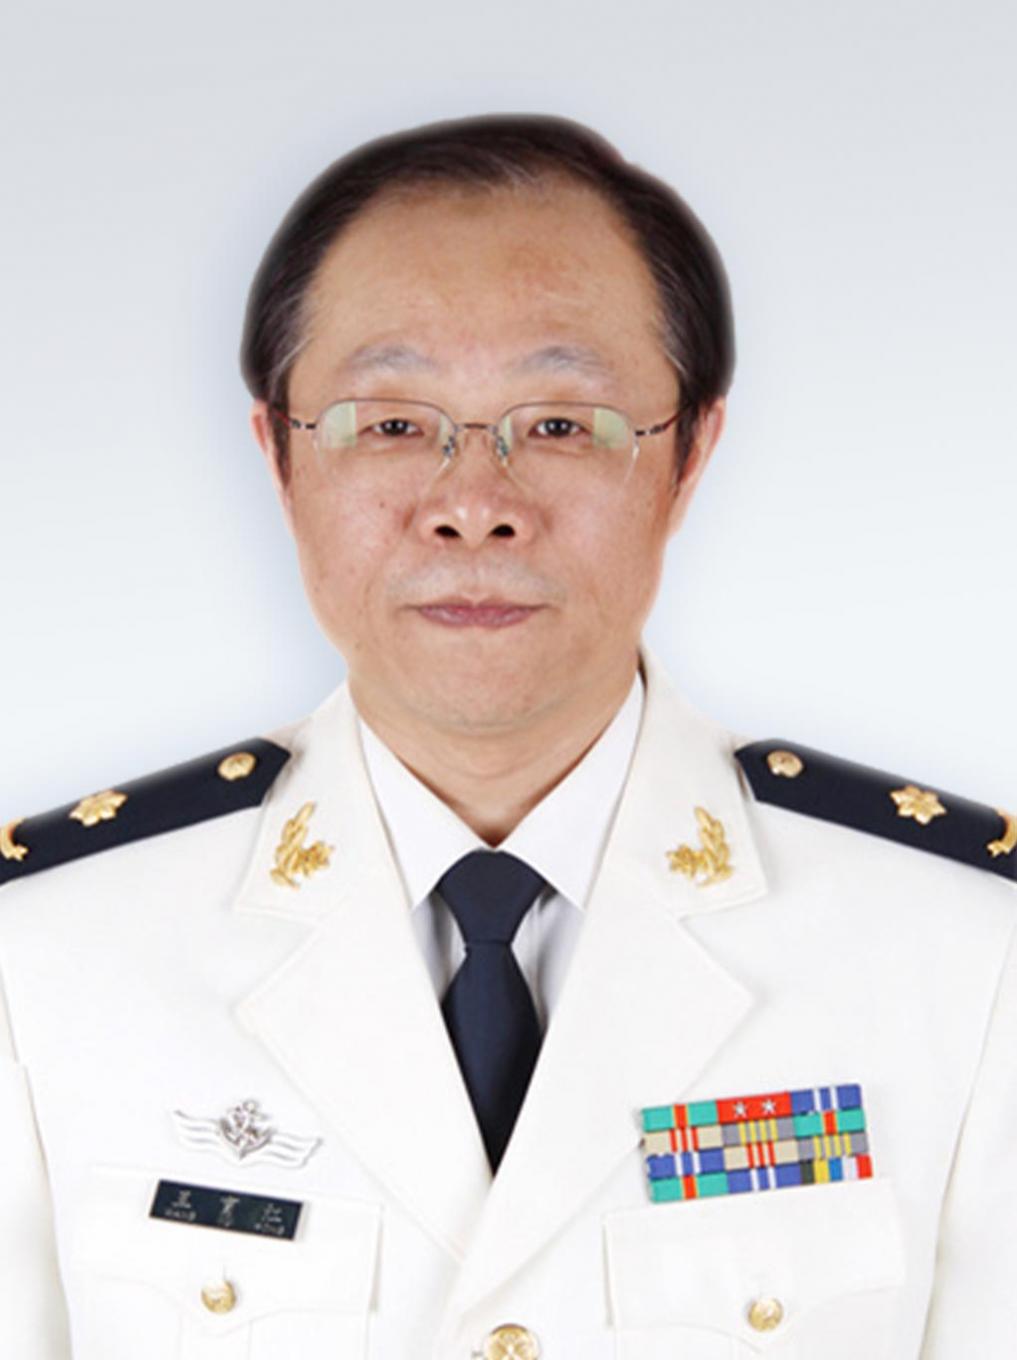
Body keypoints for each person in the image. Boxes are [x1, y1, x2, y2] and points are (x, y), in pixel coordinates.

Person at [0, 113, 1013, 1360]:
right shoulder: (45, 954)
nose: (473, 506)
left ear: (690, 454)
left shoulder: (966, 952)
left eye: (561, 423)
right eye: (389, 422)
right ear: (279, 457)